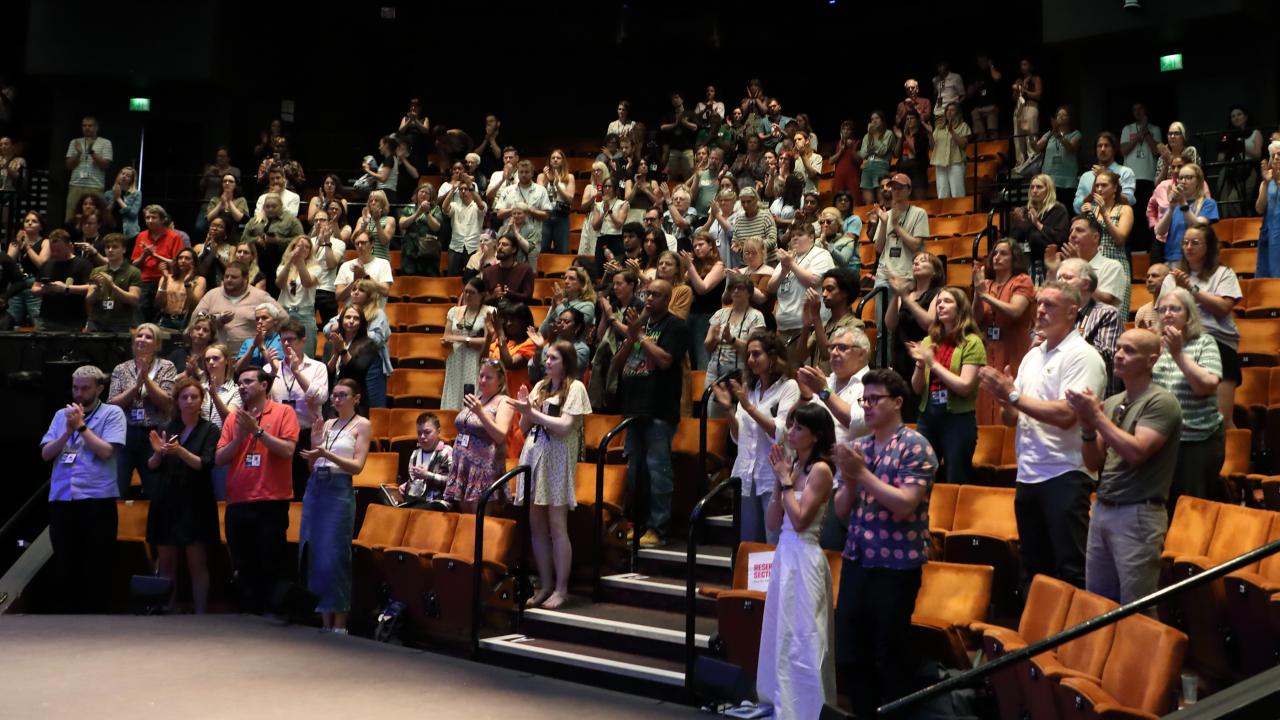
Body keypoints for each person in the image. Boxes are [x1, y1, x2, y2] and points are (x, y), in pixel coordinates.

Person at [979, 281, 1107, 590]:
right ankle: (1039, 635)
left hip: (1065, 472)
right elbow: (1013, 418)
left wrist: (1012, 397)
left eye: (1049, 305)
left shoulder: (1082, 356)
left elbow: (1067, 416)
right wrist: (1002, 397)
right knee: (1033, 570)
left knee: (1069, 570)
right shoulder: (1033, 357)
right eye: (1039, 304)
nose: (1041, 310)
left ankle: (1074, 638)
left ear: (1072, 311)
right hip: (1029, 474)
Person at [832, 368, 937, 719]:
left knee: (889, 654)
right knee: (850, 652)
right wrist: (849, 480)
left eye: (875, 400)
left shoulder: (916, 445)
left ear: (898, 402)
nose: (868, 407)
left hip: (896, 567)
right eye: (864, 400)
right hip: (857, 558)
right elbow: (842, 510)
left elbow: (906, 503)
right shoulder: (857, 447)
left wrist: (861, 475)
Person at [1067, 329, 1181, 605]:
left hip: (1138, 515)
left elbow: (1137, 452)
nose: (1118, 355)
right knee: (1098, 606)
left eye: (1129, 351)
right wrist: (1085, 427)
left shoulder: (1161, 402)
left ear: (1151, 360)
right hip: (1104, 508)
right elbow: (1093, 462)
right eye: (1118, 348)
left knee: (1136, 610)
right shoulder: (1115, 403)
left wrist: (1096, 417)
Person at [756, 403, 837, 719]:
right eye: (790, 426)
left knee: (805, 634)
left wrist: (785, 481)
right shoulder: (790, 467)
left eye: (798, 428)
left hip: (806, 555)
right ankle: (781, 700)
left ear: (815, 436)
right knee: (781, 629)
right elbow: (773, 522)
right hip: (784, 554)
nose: (790, 432)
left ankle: (805, 708)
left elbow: (802, 520)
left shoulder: (821, 470)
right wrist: (780, 480)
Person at [511, 340, 592, 609]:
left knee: (558, 526)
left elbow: (565, 426)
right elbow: (523, 428)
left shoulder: (576, 387)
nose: (547, 362)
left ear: (566, 362)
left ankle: (561, 588)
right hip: (533, 456)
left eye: (553, 358)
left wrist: (532, 412)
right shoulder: (540, 386)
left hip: (558, 460)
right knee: (537, 526)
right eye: (547, 357)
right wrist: (525, 409)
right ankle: (545, 585)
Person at [40, 365, 127, 612]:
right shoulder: (61, 416)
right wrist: (67, 430)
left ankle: (96, 619)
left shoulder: (112, 413)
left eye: (85, 388)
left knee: (97, 562)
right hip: (62, 497)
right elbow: (46, 454)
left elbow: (107, 451)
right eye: (75, 387)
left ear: (99, 388)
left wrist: (80, 427)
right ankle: (68, 619)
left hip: (97, 497)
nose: (78, 393)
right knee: (65, 561)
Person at [216, 366, 299, 615]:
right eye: (239, 382)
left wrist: (257, 431)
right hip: (238, 502)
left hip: (270, 502)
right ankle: (248, 616)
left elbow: (287, 451)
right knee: (243, 564)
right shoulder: (233, 418)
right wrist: (240, 437)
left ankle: (270, 617)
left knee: (270, 562)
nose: (242, 386)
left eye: (248, 381)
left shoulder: (284, 412)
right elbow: (219, 458)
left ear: (264, 385)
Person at [614, 280, 690, 547]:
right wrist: (631, 337)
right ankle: (640, 522)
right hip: (633, 408)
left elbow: (665, 360)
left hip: (659, 409)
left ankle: (658, 528)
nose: (649, 299)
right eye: (647, 294)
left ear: (668, 298)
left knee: (658, 471)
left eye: (656, 295)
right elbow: (617, 364)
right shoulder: (640, 327)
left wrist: (641, 337)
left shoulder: (676, 326)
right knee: (636, 471)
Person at [297, 379, 371, 634]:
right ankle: (324, 621)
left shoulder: (363, 425)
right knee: (314, 553)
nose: (336, 400)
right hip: (316, 485)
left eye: (342, 395)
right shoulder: (327, 424)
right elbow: (312, 465)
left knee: (335, 557)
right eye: (335, 396)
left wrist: (325, 453)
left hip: (339, 489)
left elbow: (357, 467)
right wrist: (316, 445)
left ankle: (340, 625)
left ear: (356, 398)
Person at [713, 330, 800, 544]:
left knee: (774, 541)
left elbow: (781, 433)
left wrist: (749, 408)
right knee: (748, 543)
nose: (751, 360)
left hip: (773, 474)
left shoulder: (789, 387)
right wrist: (728, 410)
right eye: (749, 355)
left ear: (772, 356)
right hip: (747, 474)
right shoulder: (750, 389)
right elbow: (738, 437)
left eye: (757, 354)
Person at [145, 377, 220, 614]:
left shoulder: (209, 429)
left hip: (195, 501)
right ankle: (168, 609)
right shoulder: (168, 427)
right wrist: (158, 454)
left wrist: (180, 451)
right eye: (184, 397)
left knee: (196, 562)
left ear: (201, 400)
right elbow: (152, 466)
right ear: (177, 401)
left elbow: (204, 464)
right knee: (167, 562)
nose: (189, 401)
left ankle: (200, 615)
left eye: (194, 397)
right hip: (166, 499)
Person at [1158, 222, 1242, 431]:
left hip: (1218, 341)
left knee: (1222, 419)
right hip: (1180, 341)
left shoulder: (1223, 273)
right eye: (1185, 243)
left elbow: (1223, 308)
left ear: (1208, 247)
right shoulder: (1172, 277)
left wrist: (1191, 289)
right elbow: (1161, 311)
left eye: (1195, 243)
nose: (1189, 247)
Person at [1149, 287, 1224, 509]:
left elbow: (1206, 386)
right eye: (1162, 310)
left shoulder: (1204, 342)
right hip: (1162, 440)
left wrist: (1178, 354)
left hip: (1198, 439)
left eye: (1174, 309)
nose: (1167, 314)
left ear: (1189, 314)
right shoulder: (1154, 344)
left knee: (1192, 509)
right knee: (1165, 505)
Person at [907, 287, 986, 485]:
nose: (941, 305)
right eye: (939, 302)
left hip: (957, 420)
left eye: (947, 301)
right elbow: (916, 389)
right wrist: (920, 363)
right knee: (922, 478)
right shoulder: (928, 340)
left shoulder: (972, 342)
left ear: (960, 308)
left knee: (956, 477)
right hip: (927, 416)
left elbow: (965, 386)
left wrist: (932, 363)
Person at [109, 324, 177, 498]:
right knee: (117, 488)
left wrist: (146, 378)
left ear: (157, 344)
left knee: (155, 490)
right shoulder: (121, 368)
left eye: (148, 337)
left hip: (154, 434)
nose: (142, 340)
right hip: (125, 435)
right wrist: (135, 387)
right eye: (139, 336)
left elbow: (166, 403)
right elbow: (113, 404)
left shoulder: (166, 367)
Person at [973, 239, 1036, 425]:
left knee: (1010, 398)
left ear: (1014, 258)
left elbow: (1015, 311)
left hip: (1014, 349)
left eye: (1003, 253)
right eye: (995, 253)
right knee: (985, 401)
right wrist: (978, 294)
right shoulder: (986, 284)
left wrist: (984, 295)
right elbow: (974, 320)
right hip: (988, 350)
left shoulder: (1022, 281)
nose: (997, 257)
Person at [444, 359, 516, 514]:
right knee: (465, 521)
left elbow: (500, 436)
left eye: (488, 377)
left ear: (500, 380)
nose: (483, 380)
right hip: (463, 468)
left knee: (480, 523)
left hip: (482, 471)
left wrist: (480, 412)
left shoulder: (505, 402)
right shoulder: (478, 398)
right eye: (481, 375)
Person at [885, 252, 944, 420]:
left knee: (921, 406)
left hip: (924, 356)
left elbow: (929, 323)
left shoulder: (938, 293)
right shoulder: (906, 294)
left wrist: (905, 298)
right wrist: (897, 294)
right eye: (915, 262)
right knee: (903, 407)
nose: (916, 264)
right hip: (901, 355)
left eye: (923, 261)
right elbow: (890, 324)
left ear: (935, 271)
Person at [704, 273, 767, 416]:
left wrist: (731, 339)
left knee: (740, 418)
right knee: (712, 419)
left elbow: (754, 350)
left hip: (742, 373)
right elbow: (707, 346)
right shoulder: (720, 314)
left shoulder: (756, 316)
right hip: (715, 372)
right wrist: (713, 338)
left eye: (740, 288)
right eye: (732, 288)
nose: (736, 291)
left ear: (749, 292)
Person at [1057, 258, 1123, 385]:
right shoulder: (1056, 314)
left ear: (1086, 284)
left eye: (1067, 277)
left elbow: (1107, 356)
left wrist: (1061, 343)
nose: (1061, 282)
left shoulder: (1107, 313)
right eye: (1059, 278)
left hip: (1095, 392)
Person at [769, 224, 834, 350]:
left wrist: (791, 264)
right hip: (784, 325)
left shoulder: (821, 255)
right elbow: (771, 288)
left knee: (806, 368)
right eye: (792, 235)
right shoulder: (788, 257)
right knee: (787, 369)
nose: (794, 238)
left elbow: (814, 280)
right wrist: (783, 271)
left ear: (811, 237)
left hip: (810, 326)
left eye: (799, 235)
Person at [1081, 170, 1135, 319]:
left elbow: (1120, 239)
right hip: (1095, 266)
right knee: (1090, 315)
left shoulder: (1124, 209)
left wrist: (1104, 213)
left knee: (1115, 315)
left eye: (1104, 185)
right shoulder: (1092, 210)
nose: (1099, 189)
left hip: (1117, 264)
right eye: (1097, 185)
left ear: (1115, 188)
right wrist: (1085, 218)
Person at [191, 262, 280, 350]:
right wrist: (217, 319)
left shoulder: (260, 296)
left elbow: (282, 318)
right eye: (226, 276)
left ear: (245, 279)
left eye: (234, 277)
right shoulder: (212, 295)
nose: (229, 279)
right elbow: (195, 317)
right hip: (216, 357)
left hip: (249, 356)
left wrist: (268, 340)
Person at [442, 277, 496, 411]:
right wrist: (446, 342)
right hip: (455, 361)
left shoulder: (490, 312)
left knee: (473, 397)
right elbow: (446, 336)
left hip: (476, 360)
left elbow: (490, 340)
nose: (467, 295)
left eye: (472, 292)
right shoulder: (454, 311)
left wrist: (462, 339)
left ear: (482, 294)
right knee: (454, 397)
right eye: (465, 291)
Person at [1008, 173, 1070, 283]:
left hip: (1049, 263)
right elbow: (1015, 240)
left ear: (1048, 190)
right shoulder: (1024, 211)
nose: (1034, 190)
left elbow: (1059, 238)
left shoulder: (1058, 210)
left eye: (1039, 187)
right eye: (1032, 187)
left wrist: (1037, 224)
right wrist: (1018, 224)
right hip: (1026, 262)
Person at [1154, 163, 1218, 265]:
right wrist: (1170, 208)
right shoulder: (1175, 205)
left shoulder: (1208, 203)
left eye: (1188, 178)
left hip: (1196, 260)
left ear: (1198, 181)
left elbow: (1199, 227)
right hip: (1172, 258)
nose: (1183, 181)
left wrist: (1183, 203)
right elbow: (1159, 231)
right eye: (1181, 178)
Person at [873, 173, 929, 290]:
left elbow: (915, 246)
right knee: (881, 308)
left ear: (909, 190)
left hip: (907, 274)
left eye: (900, 188)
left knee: (903, 308)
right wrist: (883, 223)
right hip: (884, 274)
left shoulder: (919, 213)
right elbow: (878, 248)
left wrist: (896, 226)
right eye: (894, 188)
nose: (896, 191)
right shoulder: (885, 215)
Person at [131, 206, 186, 323]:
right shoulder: (141, 236)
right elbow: (134, 264)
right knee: (141, 312)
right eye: (147, 218)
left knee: (160, 315)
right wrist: (144, 255)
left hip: (167, 281)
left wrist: (155, 255)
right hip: (145, 281)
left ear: (162, 220)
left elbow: (178, 264)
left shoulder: (174, 237)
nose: (150, 220)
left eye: (154, 217)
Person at [31, 230, 93, 332]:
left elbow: (90, 288)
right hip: (46, 319)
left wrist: (66, 288)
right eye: (52, 250)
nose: (55, 253)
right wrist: (44, 290)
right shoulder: (47, 265)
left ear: (69, 246)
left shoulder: (83, 264)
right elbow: (34, 289)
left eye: (58, 250)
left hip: (72, 320)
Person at [680, 232, 726, 370]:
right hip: (690, 316)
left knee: (703, 361)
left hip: (708, 317)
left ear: (711, 245)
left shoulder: (719, 265)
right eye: (695, 246)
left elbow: (702, 288)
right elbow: (682, 285)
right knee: (690, 362)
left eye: (701, 245)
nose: (697, 248)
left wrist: (690, 266)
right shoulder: (695, 266)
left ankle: (705, 391)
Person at [86, 233, 142, 333]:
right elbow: (89, 300)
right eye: (107, 247)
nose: (110, 250)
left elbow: (134, 300)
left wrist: (112, 286)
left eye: (115, 247)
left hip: (122, 325)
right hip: (97, 324)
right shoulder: (97, 271)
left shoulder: (133, 272)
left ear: (124, 250)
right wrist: (97, 289)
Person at [274, 236, 319, 357]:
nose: (303, 249)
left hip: (305, 315)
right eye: (299, 246)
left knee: (306, 355)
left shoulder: (316, 268)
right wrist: (289, 262)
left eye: (307, 247)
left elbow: (307, 282)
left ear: (310, 251)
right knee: (282, 355)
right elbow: (279, 284)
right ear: (293, 248)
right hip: (285, 314)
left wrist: (299, 261)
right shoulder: (283, 267)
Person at [65, 116, 113, 223]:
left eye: (90, 125)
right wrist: (78, 154)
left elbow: (105, 165)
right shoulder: (75, 142)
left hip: (95, 185)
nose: (87, 128)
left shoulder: (105, 143)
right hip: (76, 185)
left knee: (96, 218)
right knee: (71, 219)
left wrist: (92, 152)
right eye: (84, 126)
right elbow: (68, 165)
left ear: (96, 127)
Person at [1073, 133, 1137, 213]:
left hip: (1115, 220)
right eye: (1099, 146)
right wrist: (1092, 195)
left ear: (1114, 149)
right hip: (1089, 221)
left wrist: (1105, 176)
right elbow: (1077, 207)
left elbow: (1128, 201)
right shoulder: (1086, 176)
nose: (1103, 149)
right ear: (1095, 150)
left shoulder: (1125, 172)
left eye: (1106, 146)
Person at [401, 412, 454, 509]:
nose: (422, 436)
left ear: (438, 432)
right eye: (419, 433)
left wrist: (427, 475)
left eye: (427, 432)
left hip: (437, 501)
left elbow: (452, 482)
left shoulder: (447, 452)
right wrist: (405, 486)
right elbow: (413, 480)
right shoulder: (415, 454)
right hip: (415, 499)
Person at [487, 301, 538, 399]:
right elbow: (483, 361)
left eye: (513, 320)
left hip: (518, 397)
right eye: (507, 319)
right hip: (497, 396)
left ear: (524, 321)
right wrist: (489, 337)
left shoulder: (531, 343)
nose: (508, 323)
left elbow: (509, 364)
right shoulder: (504, 342)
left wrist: (500, 332)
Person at [443, 165, 487, 277]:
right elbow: (444, 208)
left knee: (471, 279)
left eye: (466, 189)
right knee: (452, 279)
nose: (463, 191)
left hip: (473, 247)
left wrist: (470, 186)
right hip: (455, 247)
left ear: (472, 191)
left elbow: (481, 205)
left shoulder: (478, 206)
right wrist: (453, 189)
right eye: (461, 189)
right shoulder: (455, 205)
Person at [1035, 106, 1083, 207]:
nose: (1060, 117)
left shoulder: (1076, 134)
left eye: (1064, 114)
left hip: (1067, 182)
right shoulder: (1049, 134)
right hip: (1049, 180)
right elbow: (1037, 147)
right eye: (1058, 115)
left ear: (1070, 118)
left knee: (1065, 210)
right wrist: (1030, 137)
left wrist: (1059, 135)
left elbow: (1070, 148)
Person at [398, 183, 444, 277]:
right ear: (417, 193)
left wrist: (427, 212)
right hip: (409, 248)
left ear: (431, 196)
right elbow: (402, 224)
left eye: (427, 193)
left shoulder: (435, 209)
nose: (423, 194)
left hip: (428, 250)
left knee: (428, 277)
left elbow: (436, 227)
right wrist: (418, 212)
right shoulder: (409, 208)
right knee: (408, 276)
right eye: (421, 192)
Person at [335, 231, 393, 305]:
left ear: (372, 243)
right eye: (357, 243)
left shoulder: (383, 264)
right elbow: (338, 297)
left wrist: (365, 276)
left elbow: (385, 292)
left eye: (363, 243)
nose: (359, 246)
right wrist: (354, 281)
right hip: (351, 314)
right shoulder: (345, 266)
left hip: (374, 314)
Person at [155, 248, 207, 332]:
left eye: (187, 258)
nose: (183, 260)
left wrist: (186, 283)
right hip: (165, 319)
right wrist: (165, 280)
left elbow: (194, 306)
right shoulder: (166, 278)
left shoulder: (200, 280)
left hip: (185, 321)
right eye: (180, 258)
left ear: (194, 262)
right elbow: (158, 304)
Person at [930, 102, 971, 199]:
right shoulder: (939, 127)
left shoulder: (963, 126)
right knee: (942, 193)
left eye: (952, 110)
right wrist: (929, 134)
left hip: (956, 162)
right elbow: (932, 147)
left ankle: (960, 213)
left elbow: (963, 144)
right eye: (947, 110)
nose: (949, 112)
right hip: (940, 163)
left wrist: (951, 131)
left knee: (958, 192)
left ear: (958, 112)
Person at [233, 303, 287, 376]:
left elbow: (278, 369)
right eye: (257, 319)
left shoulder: (282, 341)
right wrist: (253, 347)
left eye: (264, 318)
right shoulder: (248, 342)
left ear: (275, 320)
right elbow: (238, 369)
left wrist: (261, 345)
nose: (260, 321)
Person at [858, 111, 896, 205]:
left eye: (877, 118)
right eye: (872, 119)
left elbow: (882, 151)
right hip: (867, 167)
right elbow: (863, 154)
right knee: (868, 201)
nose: (874, 121)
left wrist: (874, 135)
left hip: (881, 166)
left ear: (882, 121)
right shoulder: (867, 136)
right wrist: (870, 135)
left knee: (882, 199)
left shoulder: (888, 133)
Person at [1011, 59, 1042, 166]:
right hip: (1020, 107)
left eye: (1025, 64)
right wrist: (1017, 90)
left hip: (1031, 106)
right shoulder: (1019, 80)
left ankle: (1032, 161)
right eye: (1021, 64)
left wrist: (1026, 92)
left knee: (1030, 133)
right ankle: (1020, 163)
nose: (1022, 67)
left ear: (1030, 66)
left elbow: (1038, 94)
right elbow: (1014, 98)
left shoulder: (1035, 79)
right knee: (1018, 135)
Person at [967, 54, 1003, 140]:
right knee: (979, 132)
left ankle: (994, 147)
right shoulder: (975, 74)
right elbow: (968, 94)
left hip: (991, 106)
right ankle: (982, 149)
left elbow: (997, 78)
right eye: (979, 62)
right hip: (978, 107)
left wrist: (991, 66)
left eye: (983, 61)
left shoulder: (992, 72)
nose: (981, 63)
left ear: (988, 61)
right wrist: (975, 87)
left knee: (992, 130)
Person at [1258, 141, 1280, 278]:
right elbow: (1259, 208)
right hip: (1270, 233)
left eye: (1279, 154)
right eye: (1273, 155)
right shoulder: (1265, 181)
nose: (1276, 157)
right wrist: (1266, 183)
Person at [205, 173, 249, 242]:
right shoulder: (215, 200)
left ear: (235, 185)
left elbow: (239, 218)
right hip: (216, 236)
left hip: (234, 236)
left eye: (231, 181)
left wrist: (229, 201)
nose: (227, 183)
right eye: (225, 181)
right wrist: (220, 203)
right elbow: (209, 218)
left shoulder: (241, 200)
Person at [104, 166, 141, 240]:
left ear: (131, 180)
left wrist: (118, 198)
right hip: (111, 231)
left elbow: (133, 214)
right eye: (122, 173)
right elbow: (105, 214)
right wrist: (114, 199)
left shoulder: (136, 194)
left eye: (128, 176)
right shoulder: (108, 194)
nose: (124, 176)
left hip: (129, 234)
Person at [1134, 263, 1171, 331]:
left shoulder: (1175, 310)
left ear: (1167, 279)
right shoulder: (1142, 311)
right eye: (1147, 276)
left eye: (1154, 276)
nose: (1149, 279)